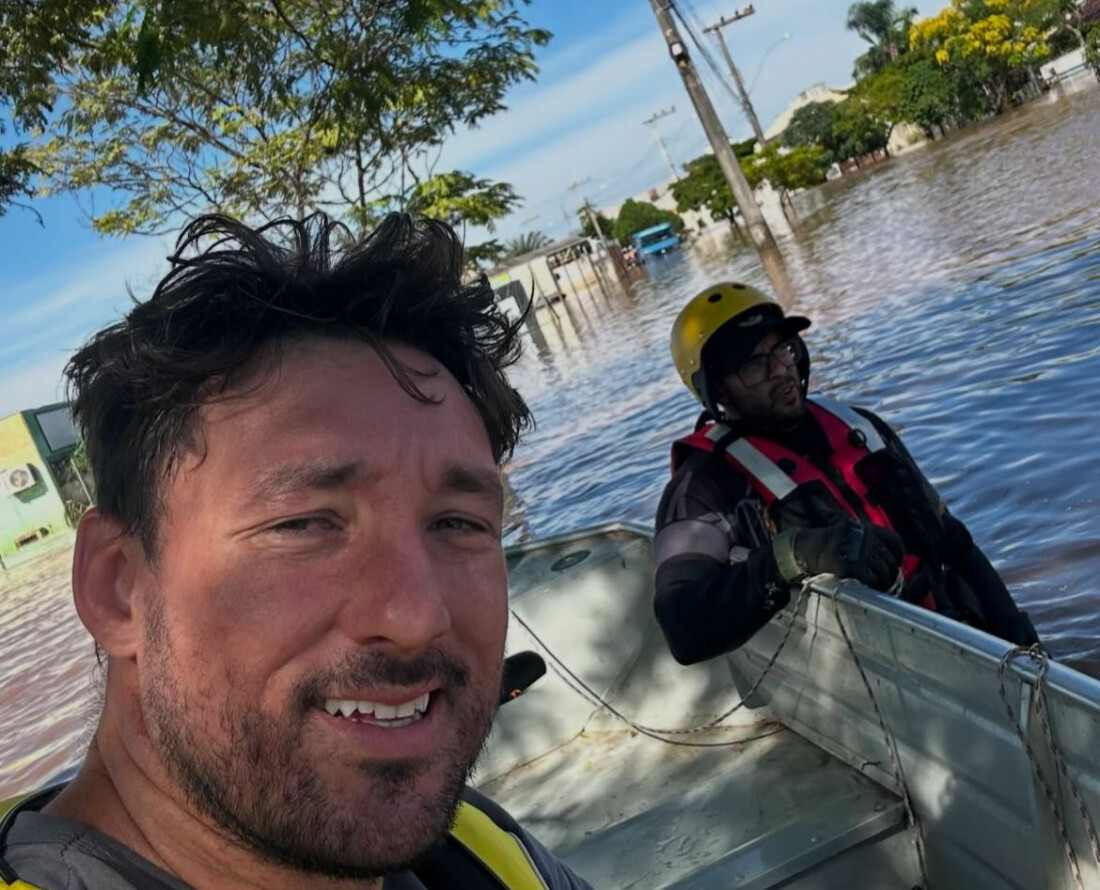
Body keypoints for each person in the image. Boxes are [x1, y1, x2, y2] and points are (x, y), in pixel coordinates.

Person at [0, 213, 592, 890]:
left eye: (457, 523)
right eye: (305, 525)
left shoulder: (485, 854)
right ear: (118, 587)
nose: (416, 614)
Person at [653, 282, 1040, 666]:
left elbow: (955, 543)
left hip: (955, 631)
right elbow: (684, 628)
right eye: (754, 365)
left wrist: (1021, 641)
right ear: (717, 390)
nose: (780, 371)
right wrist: (791, 557)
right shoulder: (703, 485)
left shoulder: (858, 427)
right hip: (866, 669)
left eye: (783, 350)